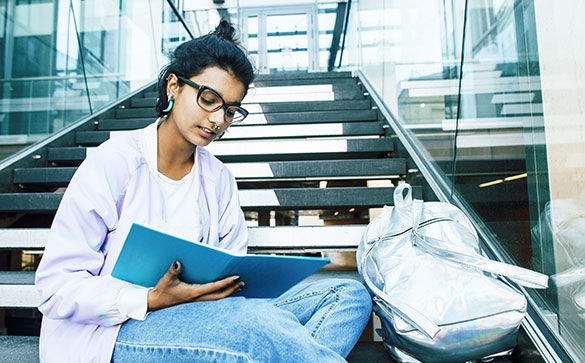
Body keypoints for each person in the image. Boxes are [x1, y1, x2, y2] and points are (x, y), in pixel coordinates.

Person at [35, 21, 372, 362]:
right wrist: (151, 298)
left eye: (230, 110)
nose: (217, 120)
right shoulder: (114, 162)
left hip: (207, 314)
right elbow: (55, 288)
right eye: (208, 99)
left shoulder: (219, 178)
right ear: (173, 87)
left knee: (347, 294)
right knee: (258, 326)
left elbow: (232, 269)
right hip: (115, 330)